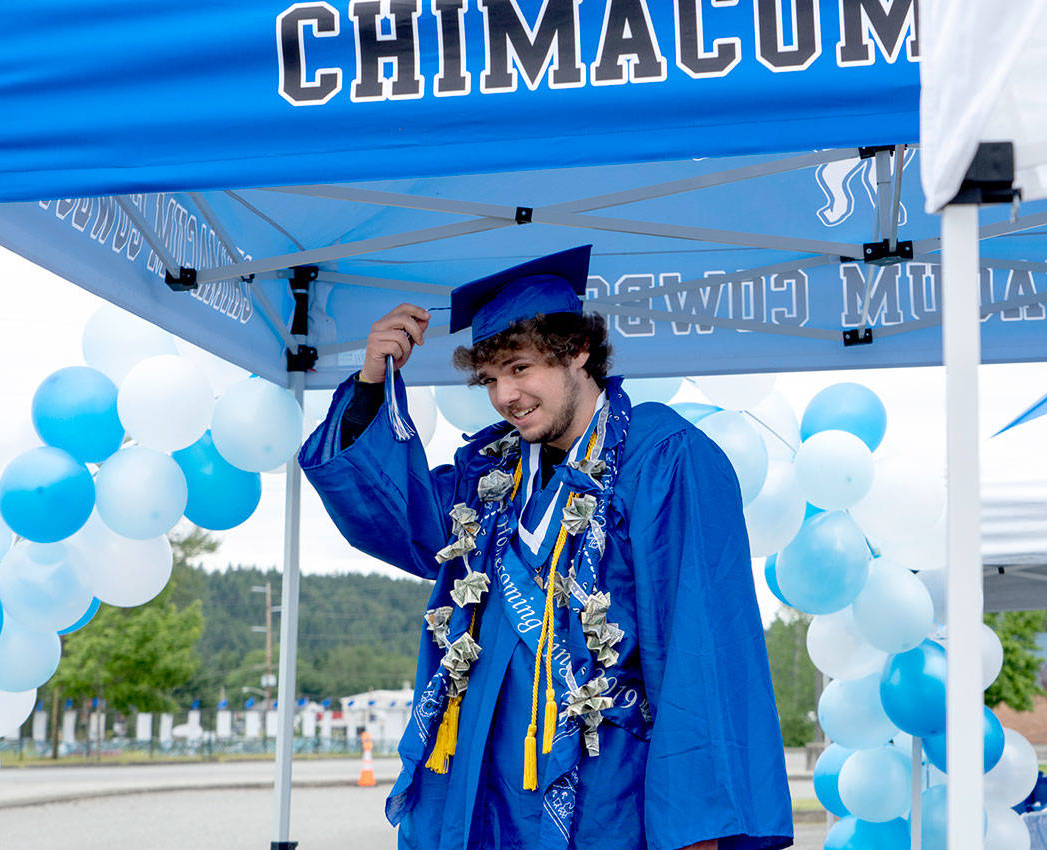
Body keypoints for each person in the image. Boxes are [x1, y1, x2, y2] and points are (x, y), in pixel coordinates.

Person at [300, 246, 792, 850]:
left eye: (520, 368)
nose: (505, 395)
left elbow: (699, 650)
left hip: (604, 794)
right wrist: (373, 385)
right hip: (481, 787)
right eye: (490, 379)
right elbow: (394, 515)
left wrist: (695, 831)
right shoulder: (490, 480)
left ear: (577, 350)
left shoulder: (663, 457)